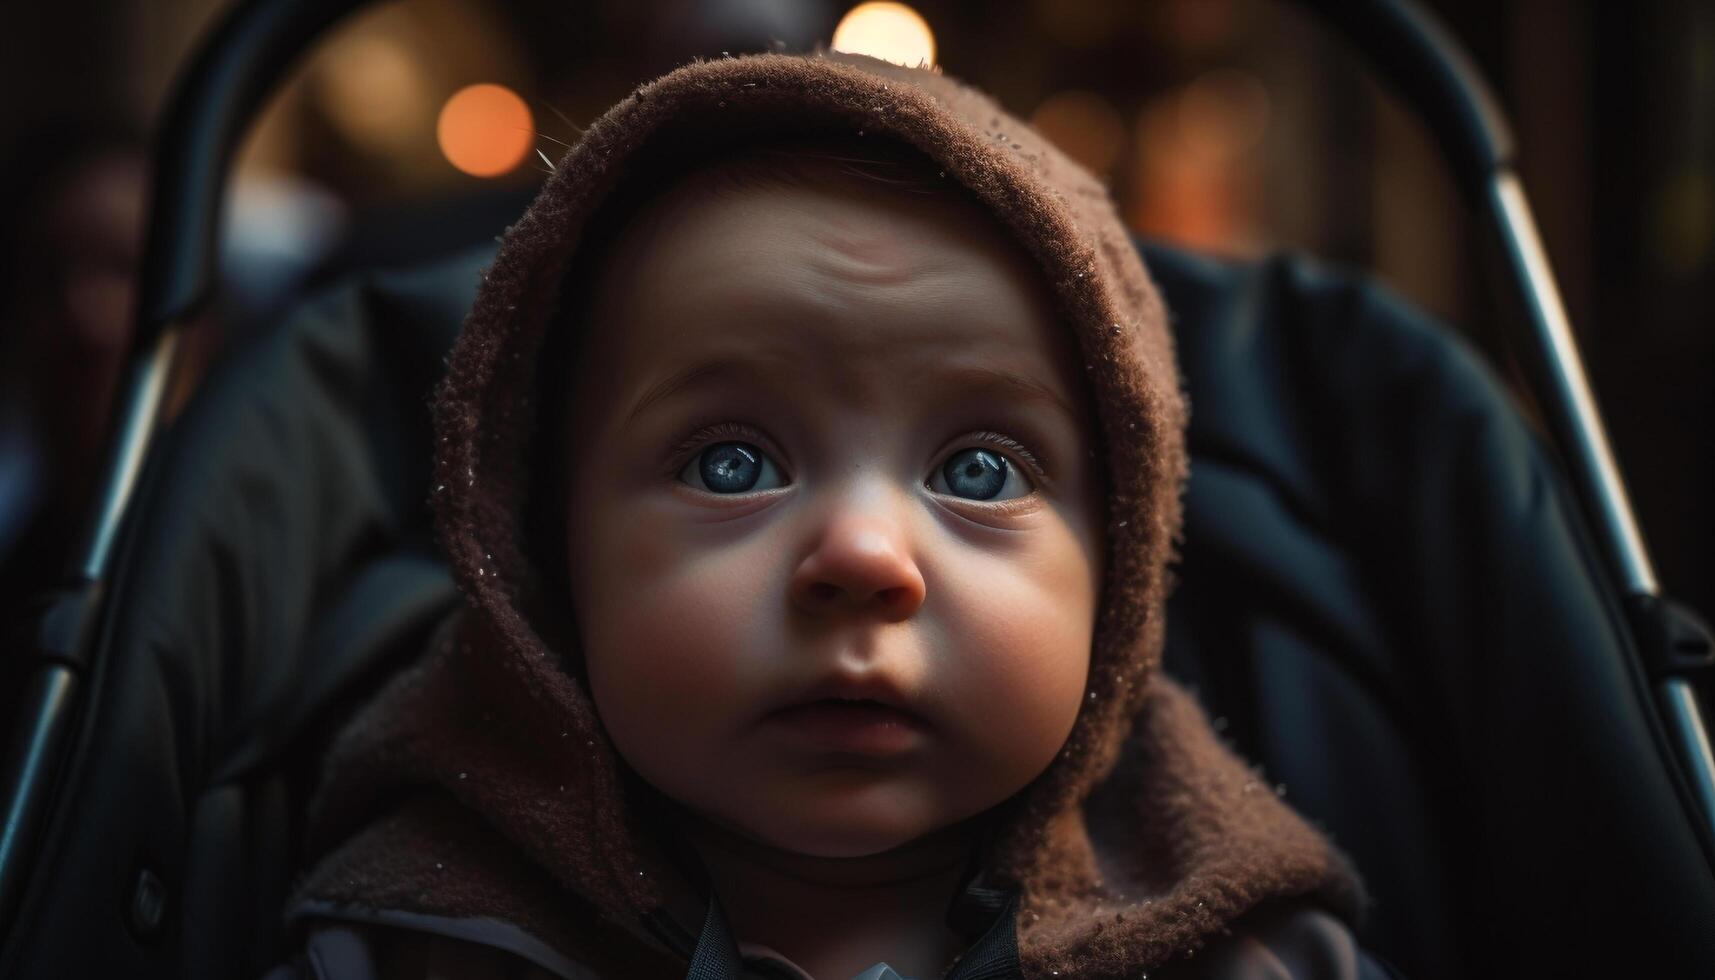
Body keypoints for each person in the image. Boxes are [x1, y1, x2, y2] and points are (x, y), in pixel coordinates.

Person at [269, 50, 1396, 979]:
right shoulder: (423, 936)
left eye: (980, 473)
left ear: (1120, 571)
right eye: (729, 465)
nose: (861, 554)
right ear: (547, 562)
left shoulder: (1235, 947)